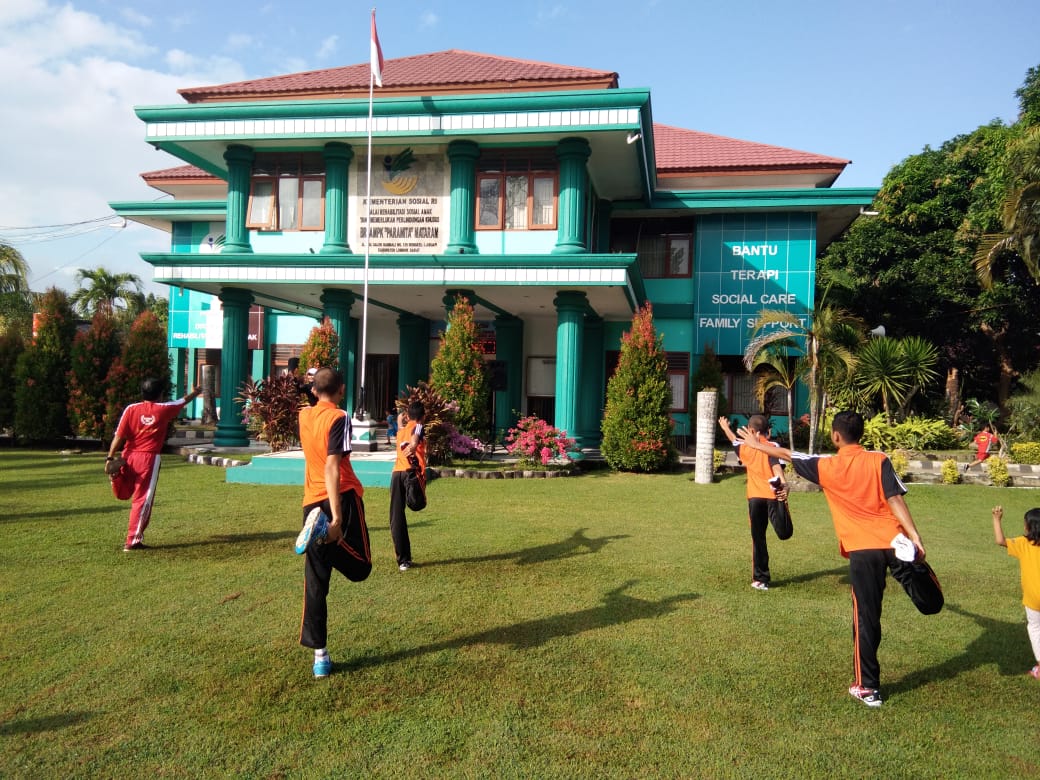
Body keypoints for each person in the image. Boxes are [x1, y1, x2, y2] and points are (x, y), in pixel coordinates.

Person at [736, 410, 943, 708]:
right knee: (931, 601)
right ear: (861, 433)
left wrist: (755, 445)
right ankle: (917, 568)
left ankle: (868, 688)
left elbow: (787, 454)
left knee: (866, 617)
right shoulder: (878, 459)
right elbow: (895, 498)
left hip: (862, 550)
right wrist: (915, 535)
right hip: (893, 539)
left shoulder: (826, 466)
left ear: (835, 436)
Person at [297, 367, 372, 678]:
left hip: (310, 502)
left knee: (316, 581)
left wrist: (311, 382)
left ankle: (320, 657)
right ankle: (329, 536)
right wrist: (337, 518)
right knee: (361, 567)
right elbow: (332, 465)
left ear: (314, 391)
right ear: (342, 389)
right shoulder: (339, 417)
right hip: (338, 496)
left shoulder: (304, 416)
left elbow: (310, 392)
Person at [106, 378, 201, 551]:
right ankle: (132, 541)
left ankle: (116, 477)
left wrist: (110, 457)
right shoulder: (162, 410)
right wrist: (195, 392)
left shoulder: (131, 409)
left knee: (125, 493)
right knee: (143, 499)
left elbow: (119, 435)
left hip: (128, 455)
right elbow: (181, 401)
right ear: (160, 394)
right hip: (148, 459)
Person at [718, 415, 791, 591]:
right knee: (783, 533)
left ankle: (761, 578)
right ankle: (761, 579)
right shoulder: (773, 447)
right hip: (772, 496)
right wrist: (784, 482)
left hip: (756, 499)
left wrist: (725, 427)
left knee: (759, 539)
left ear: (750, 431)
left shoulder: (745, 447)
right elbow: (776, 465)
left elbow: (734, 440)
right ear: (770, 431)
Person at [991, 505, 1040, 680]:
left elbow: (1000, 540)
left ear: (1029, 527)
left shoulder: (1023, 543)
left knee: (1035, 628)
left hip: (1033, 598)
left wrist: (997, 519)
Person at [389, 400, 426, 571]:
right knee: (418, 504)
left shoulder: (401, 430)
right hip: (410, 473)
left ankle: (403, 560)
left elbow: (400, 426)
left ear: (408, 416)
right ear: (423, 417)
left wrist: (399, 419)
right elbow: (416, 437)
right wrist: (413, 445)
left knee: (396, 516)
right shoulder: (418, 426)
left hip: (396, 474)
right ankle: (405, 559)